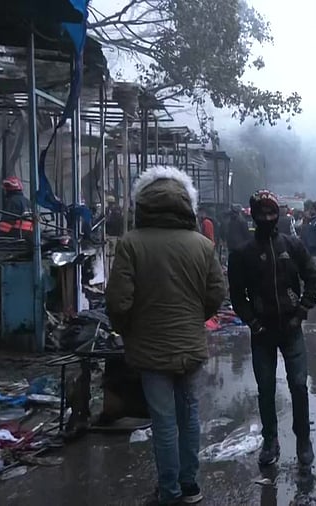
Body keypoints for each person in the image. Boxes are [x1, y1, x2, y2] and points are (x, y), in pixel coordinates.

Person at [106, 166, 227, 505]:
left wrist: (128, 329)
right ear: (186, 204)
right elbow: (217, 292)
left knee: (163, 421)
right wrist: (195, 317)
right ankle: (190, 486)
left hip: (149, 350)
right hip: (190, 345)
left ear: (141, 204)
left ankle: (169, 490)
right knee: (189, 415)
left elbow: (118, 301)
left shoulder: (131, 244)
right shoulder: (202, 245)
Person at [228, 190, 316, 472]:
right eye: (262, 213)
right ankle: (270, 442)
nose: (267, 218)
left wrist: (302, 312)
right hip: (262, 334)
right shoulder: (243, 254)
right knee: (265, 389)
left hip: (292, 330)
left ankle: (303, 441)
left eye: (271, 213)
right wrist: (253, 323)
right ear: (253, 214)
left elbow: (313, 280)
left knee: (299, 386)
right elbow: (237, 296)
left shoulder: (293, 246)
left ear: (278, 214)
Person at [0, 176, 34, 240]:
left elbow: (7, 222)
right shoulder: (27, 201)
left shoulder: (12, 201)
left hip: (16, 235)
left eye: (6, 189)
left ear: (9, 189)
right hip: (29, 236)